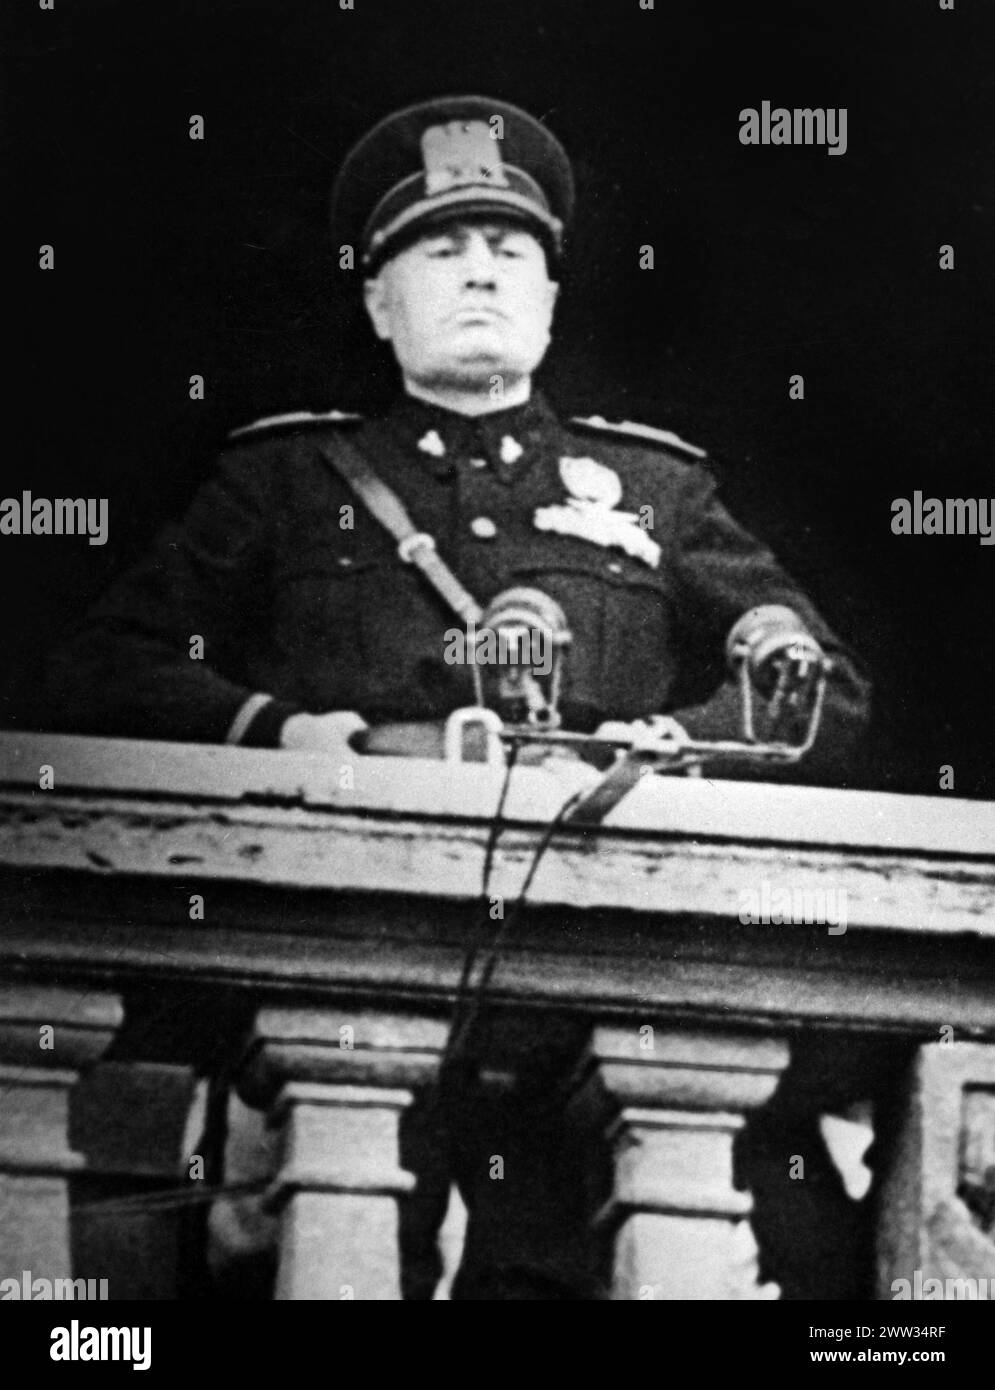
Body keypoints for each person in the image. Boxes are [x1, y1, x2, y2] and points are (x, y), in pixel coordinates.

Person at [50, 96, 874, 1299]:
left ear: (548, 299)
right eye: (440, 253)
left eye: (510, 255)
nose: (479, 276)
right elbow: (105, 665)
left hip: (587, 972)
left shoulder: (653, 487)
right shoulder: (281, 477)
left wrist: (661, 746)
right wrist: (283, 734)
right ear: (382, 305)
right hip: (345, 962)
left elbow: (821, 689)